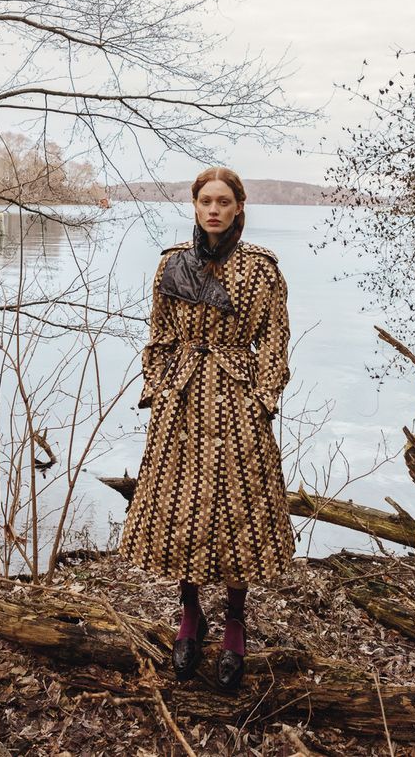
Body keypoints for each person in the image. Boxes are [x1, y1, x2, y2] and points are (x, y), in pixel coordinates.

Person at [118, 167, 295, 692]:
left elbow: (276, 340)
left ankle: (235, 619)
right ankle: (190, 614)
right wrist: (158, 383)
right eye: (205, 201)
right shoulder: (173, 264)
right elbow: (159, 335)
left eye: (223, 201)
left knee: (238, 508)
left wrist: (264, 398)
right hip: (184, 397)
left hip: (239, 401)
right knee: (183, 506)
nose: (213, 209)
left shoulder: (262, 270)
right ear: (194, 206)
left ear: (239, 206)